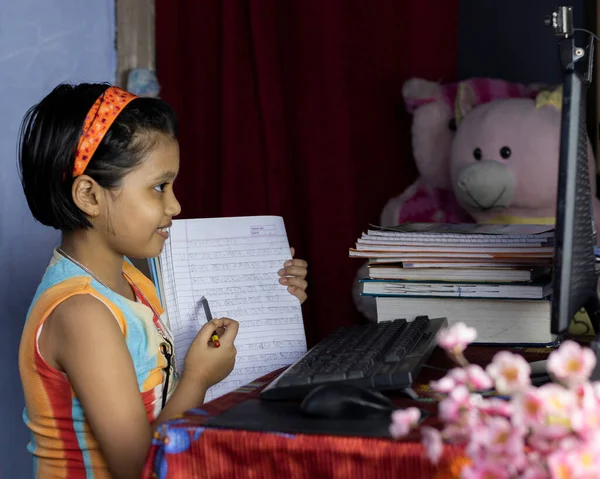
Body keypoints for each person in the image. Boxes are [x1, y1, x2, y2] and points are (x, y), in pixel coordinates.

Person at [17, 83, 309, 479]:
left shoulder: (130, 280)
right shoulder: (82, 314)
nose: (175, 205)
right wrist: (199, 377)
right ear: (88, 195)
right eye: (159, 187)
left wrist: (274, 294)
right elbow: (139, 468)